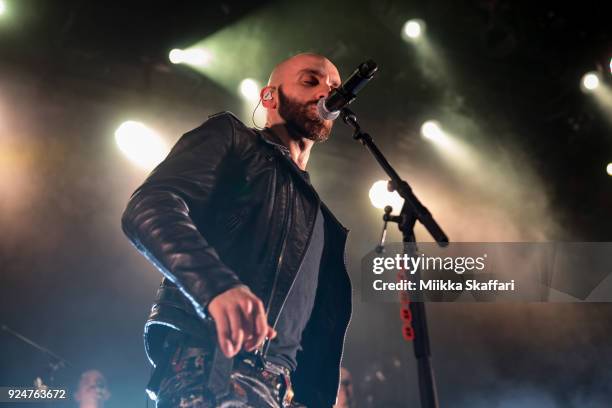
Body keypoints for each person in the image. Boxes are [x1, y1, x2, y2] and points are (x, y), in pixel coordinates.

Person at [121, 53, 352, 408]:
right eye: (311, 81)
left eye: (335, 88)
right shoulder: (233, 139)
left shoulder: (320, 219)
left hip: (280, 392)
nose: (326, 92)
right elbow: (150, 205)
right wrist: (217, 286)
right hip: (213, 364)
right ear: (269, 97)